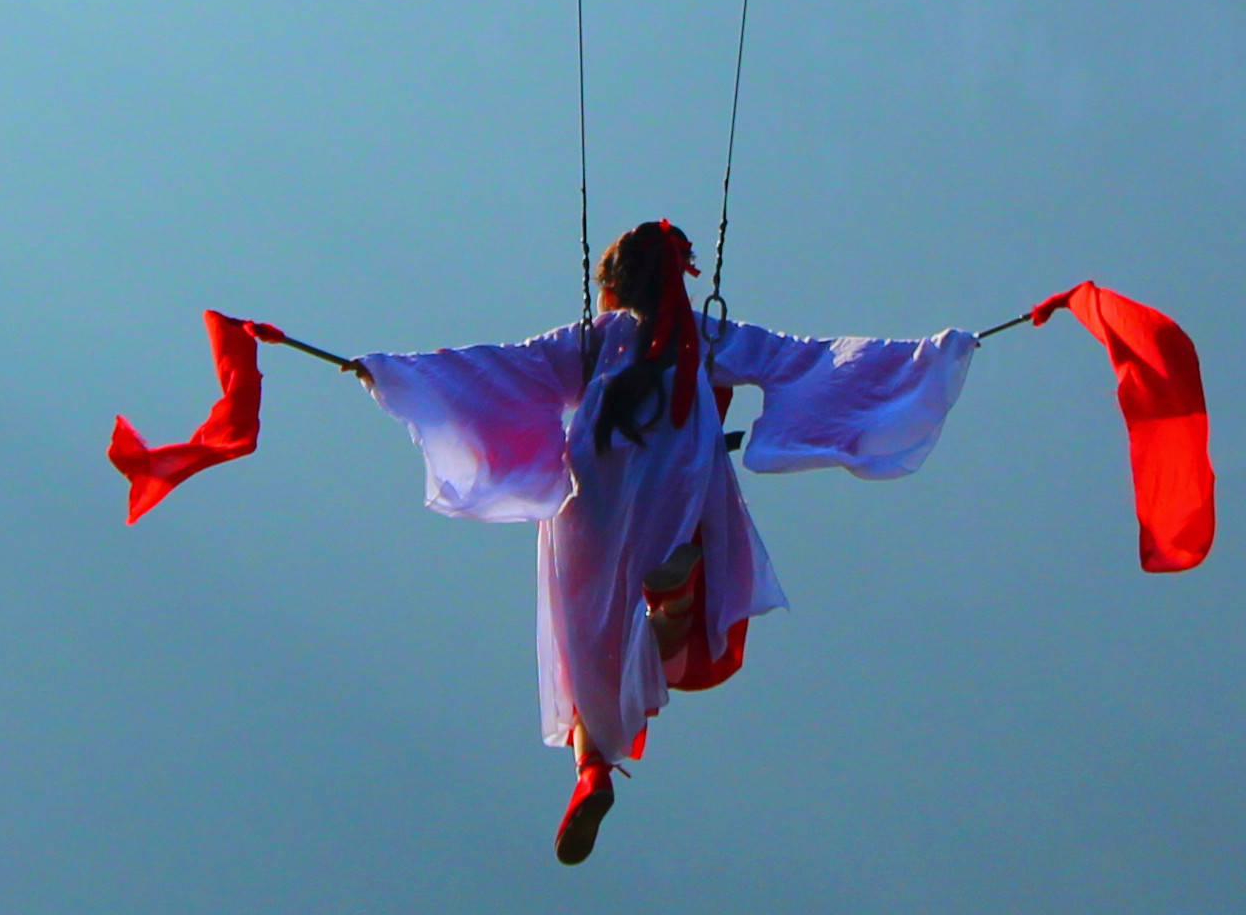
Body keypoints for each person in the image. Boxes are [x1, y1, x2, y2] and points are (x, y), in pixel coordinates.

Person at [350, 219, 975, 863]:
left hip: (593, 484)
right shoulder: (704, 335)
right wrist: (933, 354)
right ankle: (672, 602)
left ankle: (592, 767)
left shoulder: (597, 340)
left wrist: (394, 374)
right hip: (679, 468)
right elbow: (810, 361)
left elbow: (503, 368)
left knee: (585, 635)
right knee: (658, 628)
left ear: (614, 287)